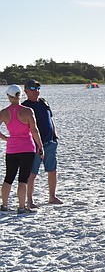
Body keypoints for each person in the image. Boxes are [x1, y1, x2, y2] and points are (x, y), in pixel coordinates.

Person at [1, 85, 44, 214]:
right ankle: (21, 207)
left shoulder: (3, 112)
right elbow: (34, 130)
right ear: (20, 95)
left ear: (9, 96)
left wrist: (5, 138)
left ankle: (4, 204)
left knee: (8, 177)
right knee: (23, 179)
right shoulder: (28, 111)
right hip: (27, 148)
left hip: (12, 149)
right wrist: (40, 146)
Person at [22, 79, 62, 208]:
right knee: (32, 173)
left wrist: (55, 136)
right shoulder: (24, 107)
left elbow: (50, 119)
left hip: (49, 142)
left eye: (38, 89)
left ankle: (52, 196)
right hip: (33, 145)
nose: (36, 92)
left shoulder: (44, 103)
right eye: (32, 89)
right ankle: (30, 201)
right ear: (26, 91)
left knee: (52, 170)